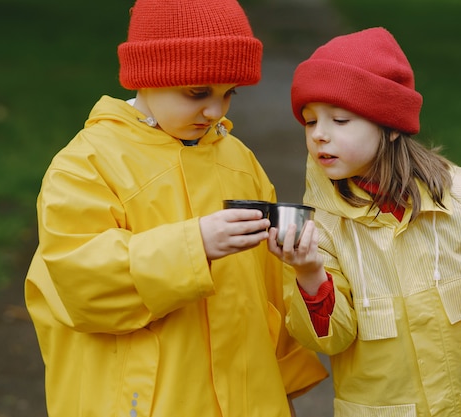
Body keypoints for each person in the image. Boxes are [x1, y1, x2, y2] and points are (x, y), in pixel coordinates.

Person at [24, 0, 328, 416]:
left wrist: (284, 388)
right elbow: (79, 282)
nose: (215, 110)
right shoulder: (87, 164)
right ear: (148, 77)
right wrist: (194, 244)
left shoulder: (238, 160)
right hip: (146, 402)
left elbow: (269, 292)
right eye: (197, 92)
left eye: (229, 93)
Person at [268, 27, 461, 416]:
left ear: (391, 123)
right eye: (310, 121)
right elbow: (330, 340)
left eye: (339, 120)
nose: (320, 135)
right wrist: (309, 272)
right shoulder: (321, 228)